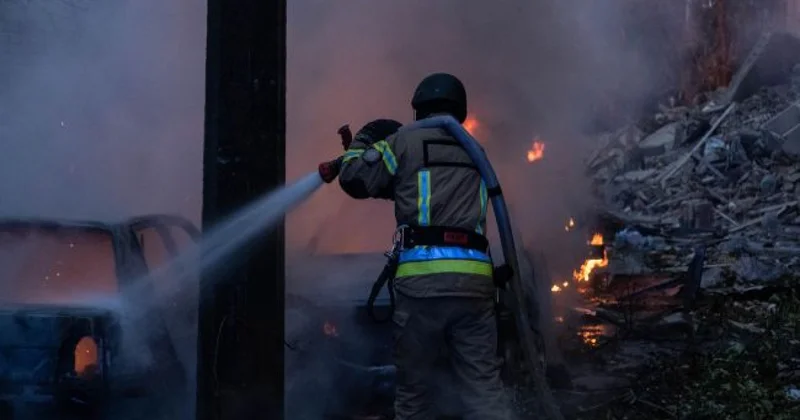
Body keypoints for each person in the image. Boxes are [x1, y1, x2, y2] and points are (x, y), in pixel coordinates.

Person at [320, 73, 513, 420]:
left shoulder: (403, 141)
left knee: (414, 395)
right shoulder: (474, 149)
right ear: (460, 109)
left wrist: (358, 146)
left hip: (422, 286)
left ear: (418, 108)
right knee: (484, 390)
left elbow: (354, 178)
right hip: (474, 288)